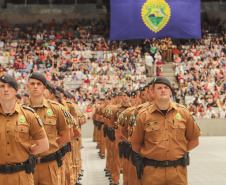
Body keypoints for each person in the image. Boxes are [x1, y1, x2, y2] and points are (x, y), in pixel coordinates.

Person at [130, 76, 201, 185]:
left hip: (177, 172)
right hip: (152, 172)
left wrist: (178, 151)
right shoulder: (143, 115)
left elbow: (194, 140)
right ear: (153, 92)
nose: (163, 90)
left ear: (170, 91)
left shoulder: (183, 113)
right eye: (159, 88)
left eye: (166, 88)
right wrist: (153, 154)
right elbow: (135, 144)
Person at [0, 74, 49, 185]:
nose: (6, 89)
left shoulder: (29, 115)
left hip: (21, 176)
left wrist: (22, 152)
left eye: (10, 86)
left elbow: (44, 145)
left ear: (16, 91)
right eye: (2, 86)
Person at [25, 72, 71, 185]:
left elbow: (66, 136)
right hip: (28, 165)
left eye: (39, 84)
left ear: (44, 87)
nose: (35, 86)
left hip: (49, 165)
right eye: (32, 84)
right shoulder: (22, 111)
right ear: (27, 86)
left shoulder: (56, 109)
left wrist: (49, 147)